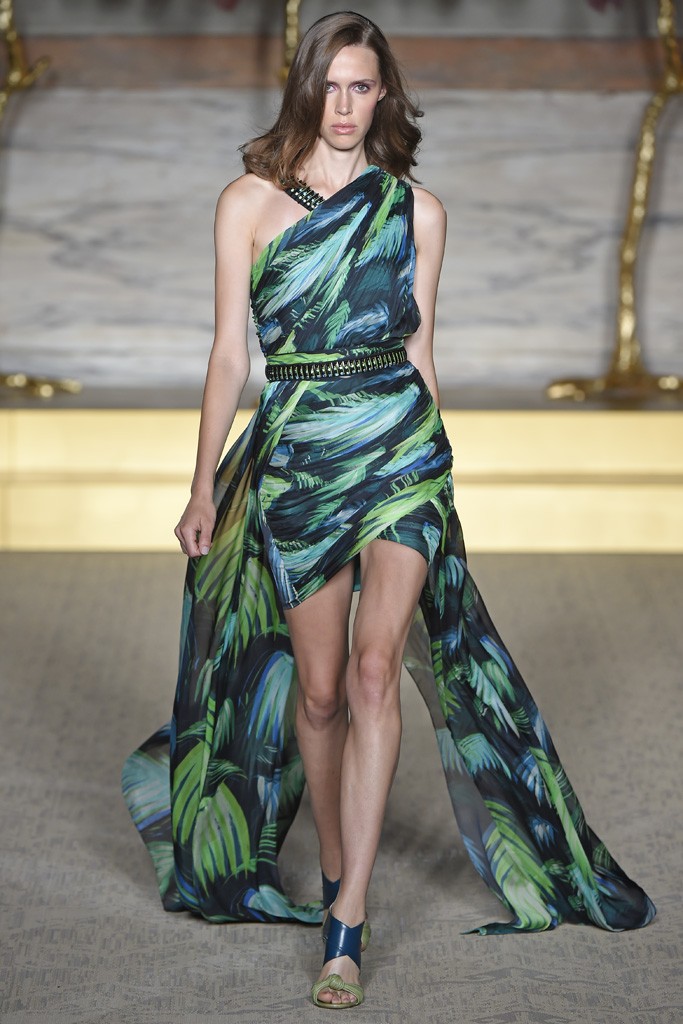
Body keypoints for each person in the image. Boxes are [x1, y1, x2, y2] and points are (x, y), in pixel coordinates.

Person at [122, 11, 655, 1010]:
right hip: (297, 458)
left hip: (400, 453)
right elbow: (229, 355)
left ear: (384, 96)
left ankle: (347, 921)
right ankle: (335, 864)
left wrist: (440, 476)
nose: (343, 105)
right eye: (328, 86)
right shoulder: (247, 202)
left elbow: (420, 354)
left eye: (361, 87)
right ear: (305, 89)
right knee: (320, 691)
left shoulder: (418, 212)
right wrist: (199, 487)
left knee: (376, 673)